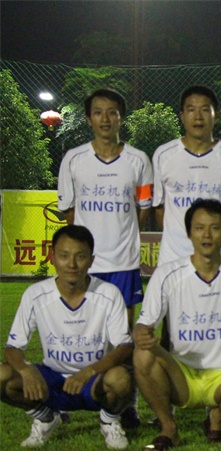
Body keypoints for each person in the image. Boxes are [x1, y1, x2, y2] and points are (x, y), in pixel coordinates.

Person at [132, 199, 221, 451]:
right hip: (182, 374)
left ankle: (217, 417)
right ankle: (168, 428)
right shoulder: (168, 274)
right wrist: (141, 333)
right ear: (189, 233)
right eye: (199, 228)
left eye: (214, 228)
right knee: (143, 354)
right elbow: (144, 324)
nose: (207, 235)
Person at [57, 88, 152, 428]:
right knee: (78, 334)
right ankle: (63, 398)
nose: (105, 118)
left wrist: (121, 237)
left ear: (121, 117)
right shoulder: (73, 159)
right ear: (88, 118)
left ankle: (127, 405)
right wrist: (84, 249)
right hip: (85, 267)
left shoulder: (139, 160)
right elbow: (68, 210)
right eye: (98, 112)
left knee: (123, 340)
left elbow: (143, 209)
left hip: (124, 264)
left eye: (112, 112)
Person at [1, 225, 134, 449]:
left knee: (120, 378)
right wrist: (25, 369)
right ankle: (46, 418)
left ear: (91, 260)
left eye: (80, 256)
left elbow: (124, 346)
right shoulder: (35, 294)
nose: (71, 264)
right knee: (2, 375)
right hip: (52, 381)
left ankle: (109, 421)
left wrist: (89, 371)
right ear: (53, 257)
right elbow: (13, 347)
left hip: (93, 382)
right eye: (64, 256)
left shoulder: (109, 293)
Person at [152, 85, 221, 267]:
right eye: (191, 110)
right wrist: (180, 238)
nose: (198, 117)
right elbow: (159, 207)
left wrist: (215, 237)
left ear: (216, 116)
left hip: (215, 261)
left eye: (205, 110)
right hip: (172, 259)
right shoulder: (163, 155)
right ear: (182, 116)